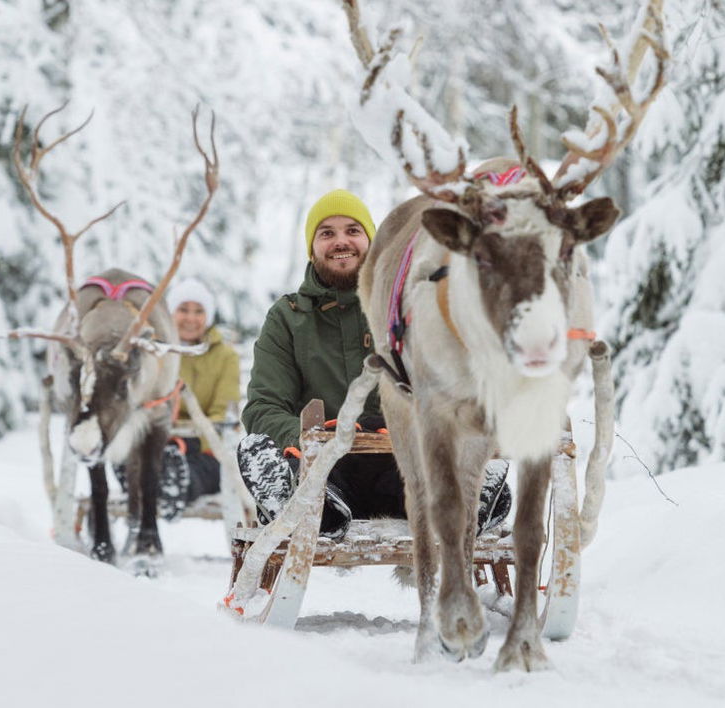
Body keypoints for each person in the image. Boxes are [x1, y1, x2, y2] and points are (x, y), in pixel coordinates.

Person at [236, 189, 511, 542]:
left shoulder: (406, 306)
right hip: (326, 474)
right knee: (255, 450)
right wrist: (309, 440)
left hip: (404, 470)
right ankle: (314, 510)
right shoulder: (287, 319)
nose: (340, 242)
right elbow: (264, 405)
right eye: (327, 233)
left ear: (370, 240)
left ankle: (469, 499)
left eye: (352, 231)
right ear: (312, 246)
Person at [154, 277, 241, 520]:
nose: (190, 318)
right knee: (143, 456)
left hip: (205, 448)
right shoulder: (157, 353)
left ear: (208, 316)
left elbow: (222, 413)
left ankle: (176, 485)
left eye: (198, 311)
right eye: (183, 310)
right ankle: (162, 477)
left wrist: (187, 443)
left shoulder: (225, 357)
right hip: (160, 442)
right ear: (171, 313)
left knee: (197, 471)